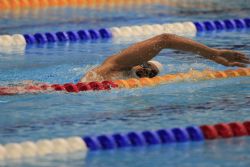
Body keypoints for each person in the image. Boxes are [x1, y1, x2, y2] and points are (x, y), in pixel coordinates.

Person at [80, 33, 249, 82]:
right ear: (140, 62)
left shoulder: (131, 81)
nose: (146, 72)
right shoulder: (116, 65)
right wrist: (213, 54)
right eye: (147, 67)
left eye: (151, 73)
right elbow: (165, 40)